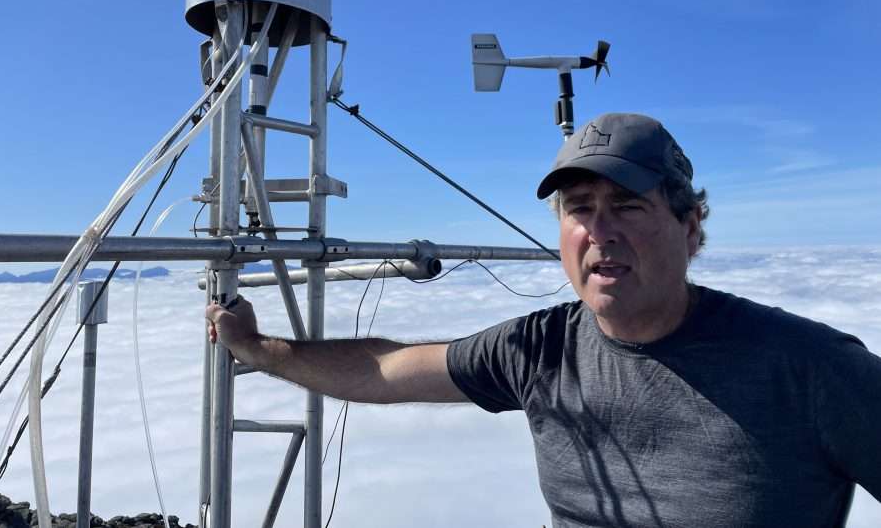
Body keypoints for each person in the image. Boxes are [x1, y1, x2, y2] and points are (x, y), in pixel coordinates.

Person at [206, 112, 881, 527]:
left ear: (690, 225)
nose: (600, 230)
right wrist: (260, 347)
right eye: (579, 208)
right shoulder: (543, 349)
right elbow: (387, 369)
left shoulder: (810, 367)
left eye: (629, 205)